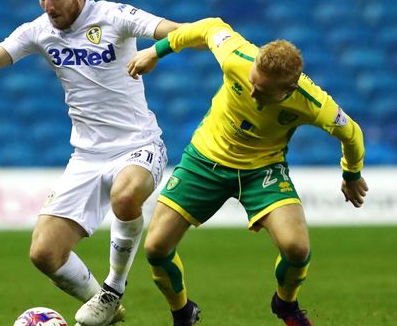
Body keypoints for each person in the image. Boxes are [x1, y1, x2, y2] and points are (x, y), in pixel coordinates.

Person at [0, 0, 181, 326]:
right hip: (86, 157)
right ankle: (107, 308)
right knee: (45, 252)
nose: (48, 5)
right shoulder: (39, 30)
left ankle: (113, 288)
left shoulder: (113, 16)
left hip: (138, 145)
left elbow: (179, 31)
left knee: (125, 196)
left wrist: (156, 51)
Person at [127, 17, 368, 326]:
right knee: (156, 248)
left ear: (289, 89)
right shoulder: (237, 56)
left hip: (262, 170)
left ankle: (286, 304)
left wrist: (351, 174)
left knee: (297, 249)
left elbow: (353, 134)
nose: (253, 92)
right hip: (205, 160)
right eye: (252, 81)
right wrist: (156, 51)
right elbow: (209, 27)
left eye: (264, 91)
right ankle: (182, 313)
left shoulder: (312, 103)